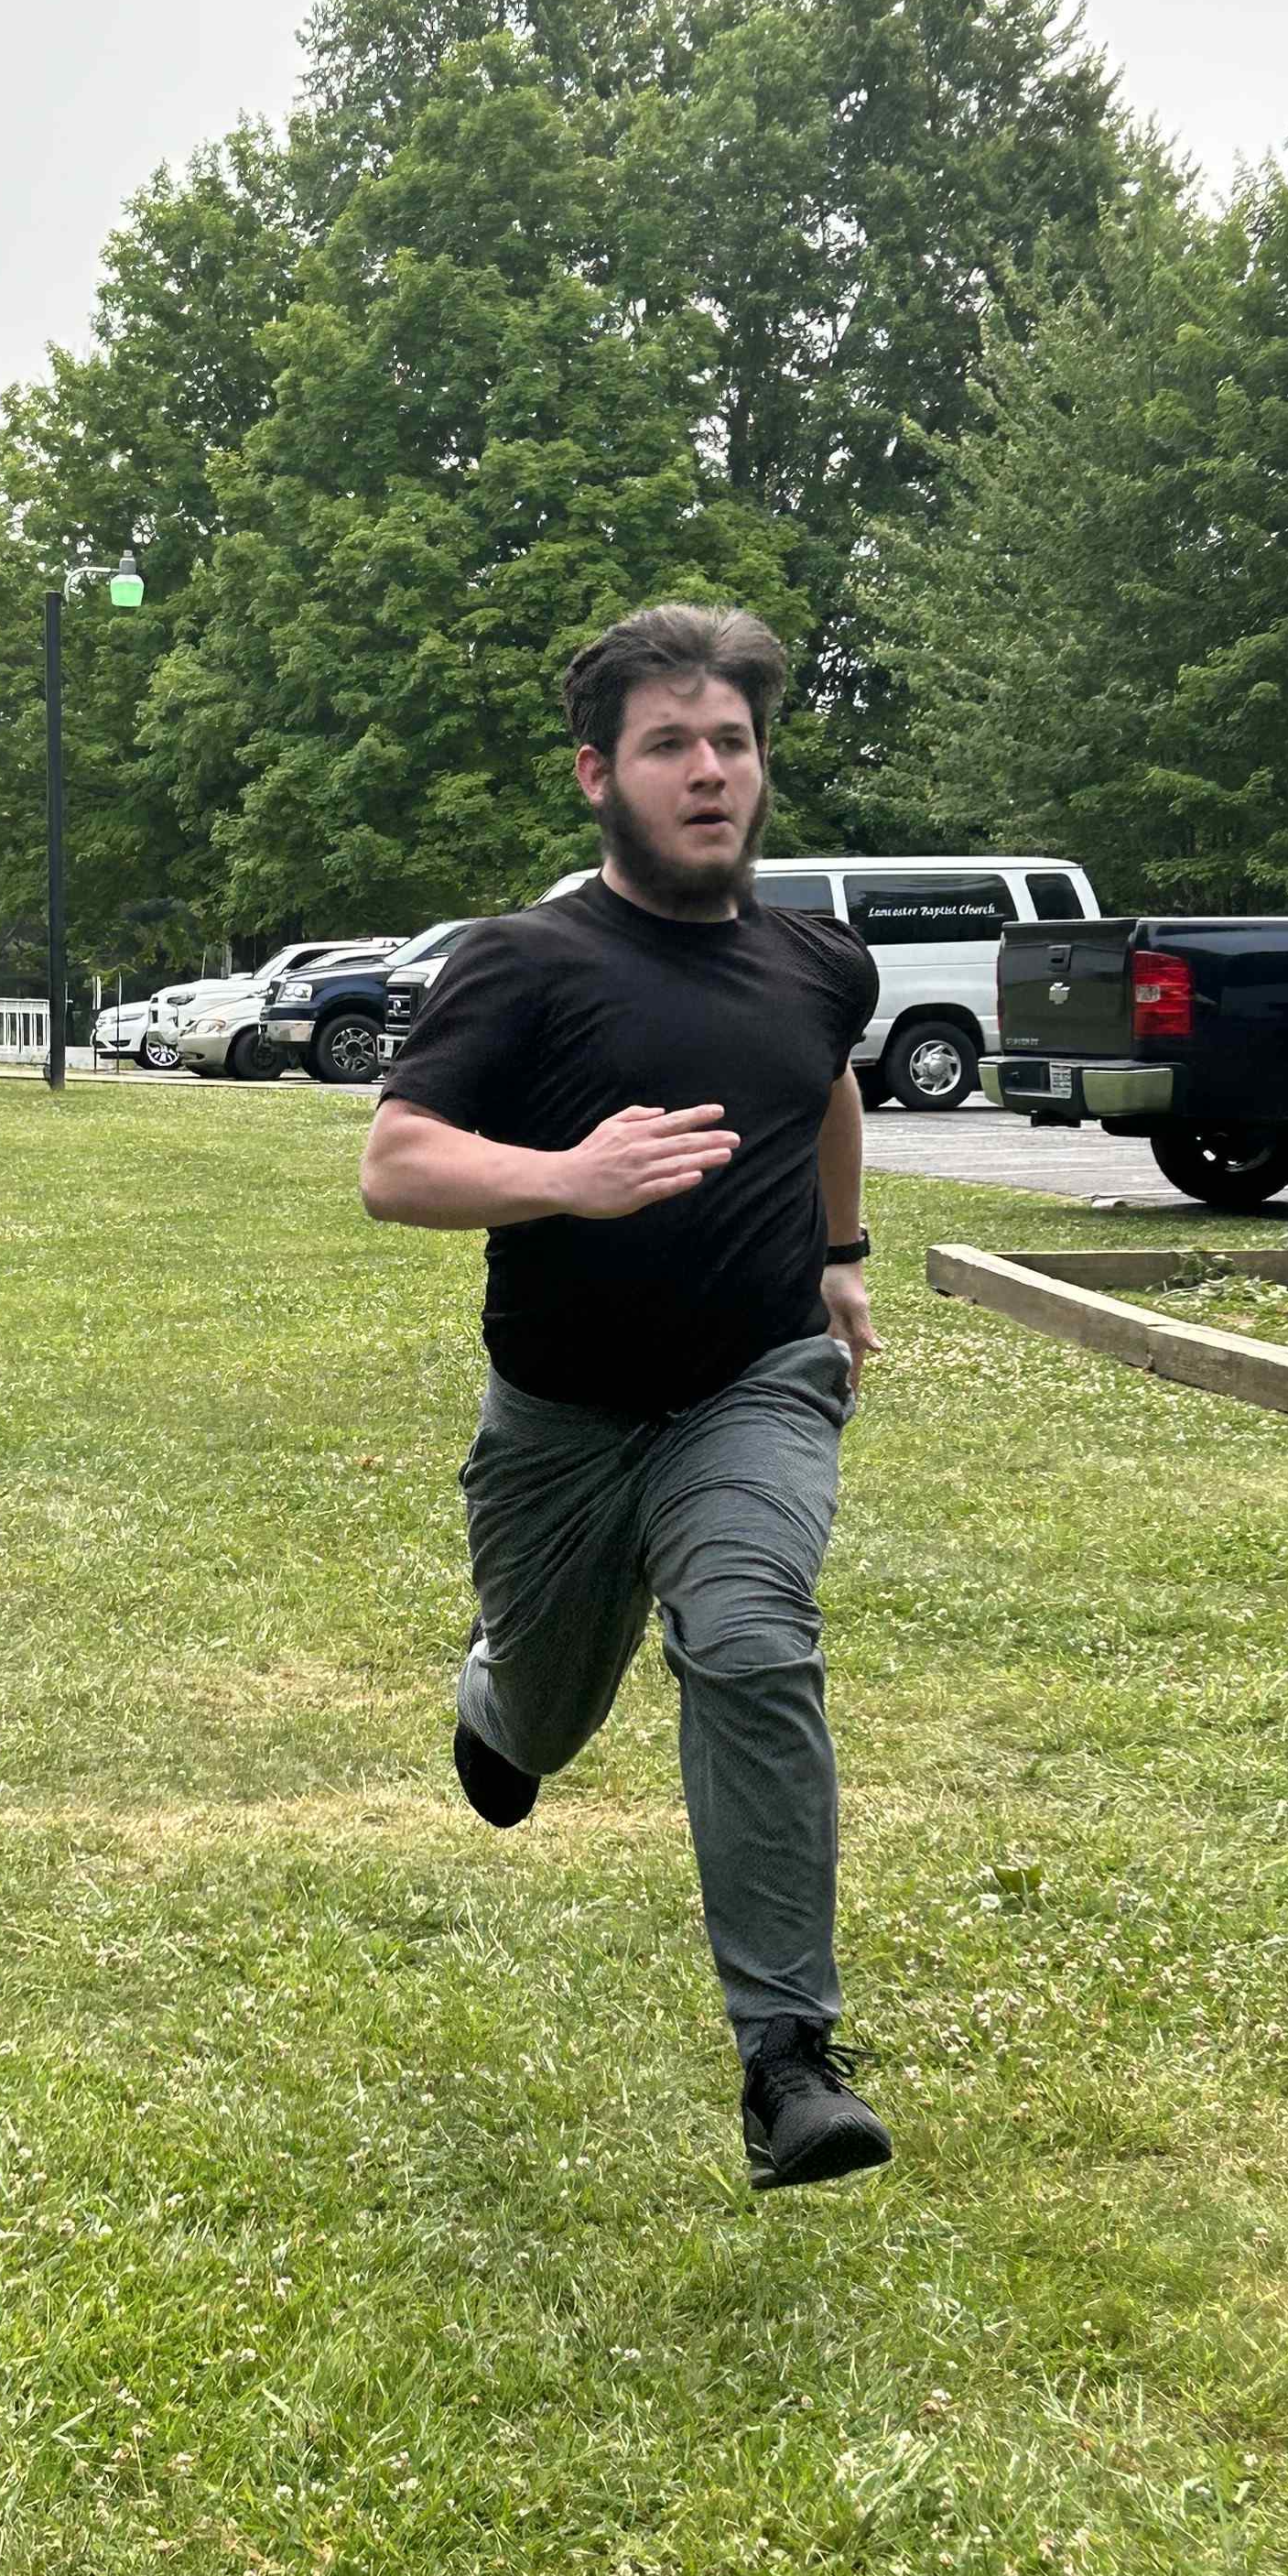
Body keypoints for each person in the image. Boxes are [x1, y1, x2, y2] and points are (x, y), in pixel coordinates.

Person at [361, 603, 892, 2193]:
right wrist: (567, 1178)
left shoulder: (819, 962)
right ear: (598, 774)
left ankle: (785, 2062)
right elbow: (395, 1165)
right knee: (545, 1713)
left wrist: (842, 1255)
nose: (707, 769)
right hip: (561, 1418)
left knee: (749, 1632)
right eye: (669, 745)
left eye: (731, 741)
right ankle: (495, 1704)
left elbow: (824, 1085)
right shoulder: (523, 961)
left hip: (752, 1384)